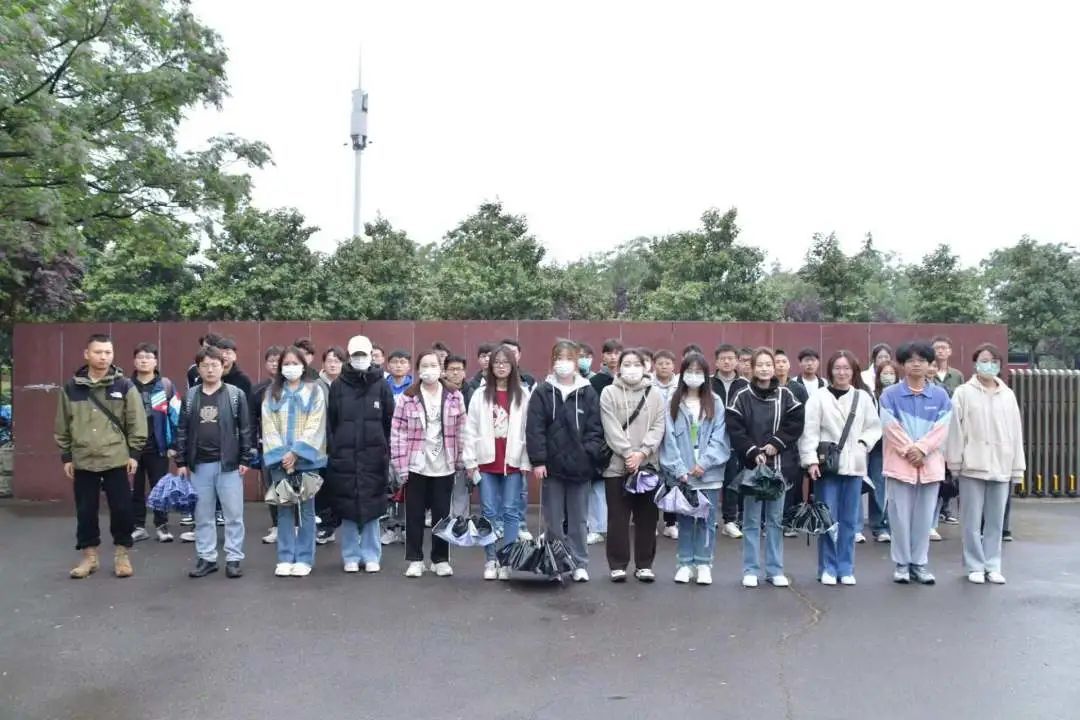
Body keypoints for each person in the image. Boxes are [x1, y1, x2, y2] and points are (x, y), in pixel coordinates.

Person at [56, 334, 147, 579]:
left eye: (108, 352)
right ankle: (89, 557)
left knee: (122, 508)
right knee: (85, 510)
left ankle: (122, 555)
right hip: (83, 459)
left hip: (116, 457)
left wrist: (134, 453)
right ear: (87, 354)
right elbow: (63, 423)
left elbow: (136, 422)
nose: (103, 357)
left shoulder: (124, 385)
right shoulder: (71, 387)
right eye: (98, 352)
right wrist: (66, 455)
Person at [799, 351, 882, 586]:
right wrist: (811, 460)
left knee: (849, 520)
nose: (842, 373)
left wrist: (863, 443)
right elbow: (809, 431)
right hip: (827, 467)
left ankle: (846, 567)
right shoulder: (818, 397)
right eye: (837, 368)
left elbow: (874, 427)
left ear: (853, 371)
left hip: (854, 465)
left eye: (846, 368)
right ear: (830, 370)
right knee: (828, 519)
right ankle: (827, 567)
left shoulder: (862, 398)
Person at [946, 343, 1025, 585]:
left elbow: (1015, 432)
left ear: (1000, 365)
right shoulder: (963, 393)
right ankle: (974, 565)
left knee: (995, 520)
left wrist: (1017, 467)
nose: (988, 365)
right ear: (975, 363)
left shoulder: (1008, 395)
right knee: (971, 521)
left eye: (993, 361)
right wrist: (955, 462)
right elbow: (954, 430)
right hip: (972, 465)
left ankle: (993, 564)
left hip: (1001, 465)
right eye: (983, 360)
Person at [527, 340, 605, 582]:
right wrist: (538, 461)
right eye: (559, 358)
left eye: (569, 359)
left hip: (580, 468)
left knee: (579, 519)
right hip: (551, 468)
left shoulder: (587, 392)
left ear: (576, 362)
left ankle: (579, 562)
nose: (564, 364)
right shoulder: (542, 391)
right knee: (553, 520)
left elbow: (596, 429)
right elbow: (535, 429)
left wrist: (588, 453)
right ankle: (555, 563)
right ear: (552, 362)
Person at [726, 348, 804, 588]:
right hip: (753, 468)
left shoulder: (787, 395)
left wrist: (776, 444)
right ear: (751, 368)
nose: (764, 368)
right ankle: (750, 569)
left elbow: (795, 424)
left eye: (768, 364)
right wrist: (752, 450)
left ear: (775, 367)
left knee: (775, 521)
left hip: (779, 468)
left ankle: (775, 569)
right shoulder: (741, 396)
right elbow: (735, 428)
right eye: (759, 364)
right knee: (751, 520)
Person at [175, 346, 254, 579]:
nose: (210, 370)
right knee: (203, 515)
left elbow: (246, 428)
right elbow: (182, 430)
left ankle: (233, 559)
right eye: (205, 365)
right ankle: (206, 558)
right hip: (199, 465)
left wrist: (245, 457)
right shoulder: (191, 396)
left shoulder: (235, 395)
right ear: (198, 369)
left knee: (233, 515)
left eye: (215, 365)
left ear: (223, 367)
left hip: (229, 464)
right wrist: (181, 461)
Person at [879, 340, 952, 585]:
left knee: (924, 518)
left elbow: (943, 428)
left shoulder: (940, 395)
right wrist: (910, 450)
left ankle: (919, 563)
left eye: (921, 360)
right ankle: (901, 564)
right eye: (910, 360)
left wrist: (922, 449)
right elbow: (889, 426)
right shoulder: (890, 395)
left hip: (929, 466)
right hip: (899, 466)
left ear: (930, 364)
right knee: (899, 518)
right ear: (902, 364)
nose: (916, 365)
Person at [391, 350, 467, 578]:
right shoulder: (408, 396)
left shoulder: (454, 395)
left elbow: (463, 429)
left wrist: (462, 460)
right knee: (414, 514)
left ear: (440, 369)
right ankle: (415, 560)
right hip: (416, 464)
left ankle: (440, 559)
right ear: (418, 370)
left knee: (442, 515)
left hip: (445, 464)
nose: (429, 370)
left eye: (433, 365)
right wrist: (401, 466)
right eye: (424, 365)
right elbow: (398, 432)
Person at [659, 352, 731, 585]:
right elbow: (668, 439)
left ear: (706, 374)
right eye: (689, 371)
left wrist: (705, 463)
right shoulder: (673, 402)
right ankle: (684, 564)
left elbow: (720, 438)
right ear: (682, 374)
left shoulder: (715, 402)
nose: (693, 375)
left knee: (707, 520)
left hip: (709, 474)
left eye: (698, 371)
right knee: (686, 520)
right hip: (683, 475)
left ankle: (703, 564)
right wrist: (679, 468)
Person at [326, 335, 395, 574]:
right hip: (344, 456)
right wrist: (335, 450)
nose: (359, 359)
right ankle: (351, 556)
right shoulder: (338, 385)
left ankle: (371, 555)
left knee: (372, 508)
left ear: (370, 356)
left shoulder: (381, 385)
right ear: (349, 356)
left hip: (374, 456)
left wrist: (385, 450)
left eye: (363, 355)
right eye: (355, 355)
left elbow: (389, 421)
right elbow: (332, 421)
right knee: (347, 509)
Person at [462, 346, 531, 580]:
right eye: (497, 362)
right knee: (489, 512)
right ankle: (490, 560)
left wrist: (526, 461)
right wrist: (470, 461)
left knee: (511, 511)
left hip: (513, 461)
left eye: (505, 362)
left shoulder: (523, 394)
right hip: (486, 462)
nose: (501, 366)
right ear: (490, 366)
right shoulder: (480, 395)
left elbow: (528, 430)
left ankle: (507, 560)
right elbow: (470, 429)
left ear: (513, 366)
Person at [600, 348, 667, 583]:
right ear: (618, 368)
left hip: (648, 466)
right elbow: (610, 427)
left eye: (636, 364)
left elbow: (659, 425)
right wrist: (628, 453)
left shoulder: (655, 394)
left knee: (647, 518)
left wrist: (642, 453)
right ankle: (617, 565)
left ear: (645, 367)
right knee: (618, 519)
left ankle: (644, 564)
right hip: (617, 466)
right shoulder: (608, 392)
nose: (631, 368)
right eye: (626, 364)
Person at [262, 347, 328, 578]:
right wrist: (283, 455)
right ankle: (285, 557)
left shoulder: (315, 390)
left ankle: (304, 558)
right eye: (286, 363)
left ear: (303, 365)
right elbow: (268, 425)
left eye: (295, 363)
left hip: (307, 460)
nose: (291, 367)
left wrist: (297, 452)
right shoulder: (272, 392)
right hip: (279, 460)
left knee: (307, 509)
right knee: (284, 507)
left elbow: (316, 423)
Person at [129, 342, 181, 543]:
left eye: (148, 357)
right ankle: (138, 526)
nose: (144, 361)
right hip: (132, 448)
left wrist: (174, 444)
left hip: (158, 446)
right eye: (140, 357)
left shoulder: (165, 385)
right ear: (134, 361)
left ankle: (162, 526)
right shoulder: (126, 386)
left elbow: (176, 415)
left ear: (155, 361)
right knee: (135, 489)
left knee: (160, 488)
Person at [710, 343, 749, 540]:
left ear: (737, 361)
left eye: (730, 358)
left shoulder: (745, 385)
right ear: (716, 362)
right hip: (711, 440)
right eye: (722, 358)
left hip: (734, 440)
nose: (726, 362)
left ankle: (729, 521)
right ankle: (708, 516)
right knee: (709, 481)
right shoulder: (708, 383)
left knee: (732, 482)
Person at [929, 335, 964, 529]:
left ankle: (946, 509)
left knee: (949, 471)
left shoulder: (957, 375)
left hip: (951, 426)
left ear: (950, 351)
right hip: (933, 427)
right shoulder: (926, 372)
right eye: (937, 348)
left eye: (944, 348)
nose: (941, 351)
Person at [861, 361, 897, 544]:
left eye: (891, 373)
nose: (888, 376)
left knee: (895, 489)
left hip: (898, 447)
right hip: (877, 447)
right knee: (878, 486)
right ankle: (879, 526)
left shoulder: (900, 395)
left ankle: (893, 525)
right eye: (885, 373)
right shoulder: (872, 396)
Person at [314, 345, 346, 545]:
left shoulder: (348, 384)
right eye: (329, 360)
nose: (333, 364)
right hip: (321, 445)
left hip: (343, 444)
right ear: (323, 363)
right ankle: (325, 526)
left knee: (341, 487)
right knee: (322, 488)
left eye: (337, 360)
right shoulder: (314, 386)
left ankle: (337, 523)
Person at [253, 346, 284, 544]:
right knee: (271, 487)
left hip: (291, 447)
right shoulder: (258, 390)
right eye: (270, 360)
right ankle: (276, 525)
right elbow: (251, 419)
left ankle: (295, 526)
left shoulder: (294, 387)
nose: (274, 364)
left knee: (293, 486)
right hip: (267, 446)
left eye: (278, 360)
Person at [652, 348, 681, 539]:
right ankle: (652, 522)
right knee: (652, 482)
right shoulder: (648, 385)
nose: (664, 366)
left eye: (667, 363)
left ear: (673, 366)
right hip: (653, 439)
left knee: (672, 481)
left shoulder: (680, 386)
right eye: (660, 363)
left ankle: (671, 523)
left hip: (674, 439)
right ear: (654, 366)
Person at [443, 354, 474, 517]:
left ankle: (460, 521)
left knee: (462, 488)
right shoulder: (439, 391)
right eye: (451, 369)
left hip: (465, 446)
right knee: (443, 489)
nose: (455, 373)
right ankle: (444, 521)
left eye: (459, 369)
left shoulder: (472, 393)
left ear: (464, 372)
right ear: (445, 372)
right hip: (444, 448)